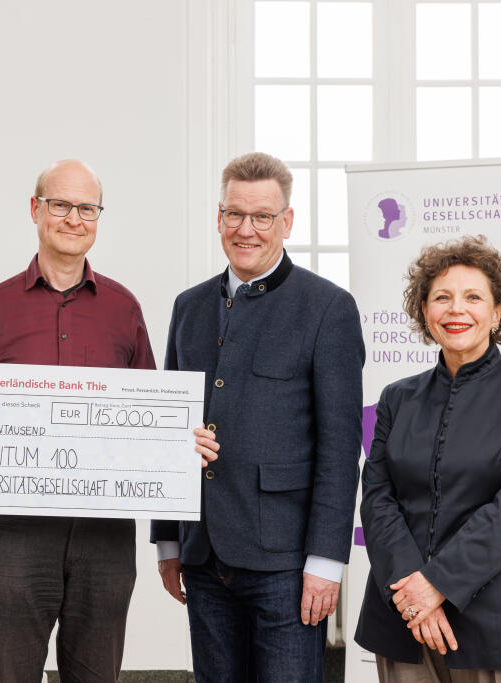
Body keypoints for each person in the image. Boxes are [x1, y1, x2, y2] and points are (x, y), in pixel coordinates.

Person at [0, 158, 185, 682]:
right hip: (10, 539)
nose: (73, 219)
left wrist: (180, 442)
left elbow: (148, 423)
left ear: (98, 216)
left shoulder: (125, 309)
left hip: (105, 539)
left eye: (87, 208)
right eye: (60, 205)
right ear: (35, 210)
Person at [150, 152, 365, 681]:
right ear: (218, 217)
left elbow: (340, 450)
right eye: (234, 214)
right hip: (202, 555)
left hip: (287, 563)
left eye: (262, 216)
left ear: (286, 222)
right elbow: (168, 425)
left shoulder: (328, 308)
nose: (246, 230)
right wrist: (168, 540)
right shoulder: (188, 307)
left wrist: (326, 562)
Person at [355, 235, 501, 682]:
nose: (456, 310)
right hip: (404, 620)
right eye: (442, 297)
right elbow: (377, 499)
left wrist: (437, 584)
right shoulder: (396, 398)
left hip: (499, 624)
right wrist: (414, 593)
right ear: (424, 310)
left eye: (473, 297)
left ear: (497, 311)